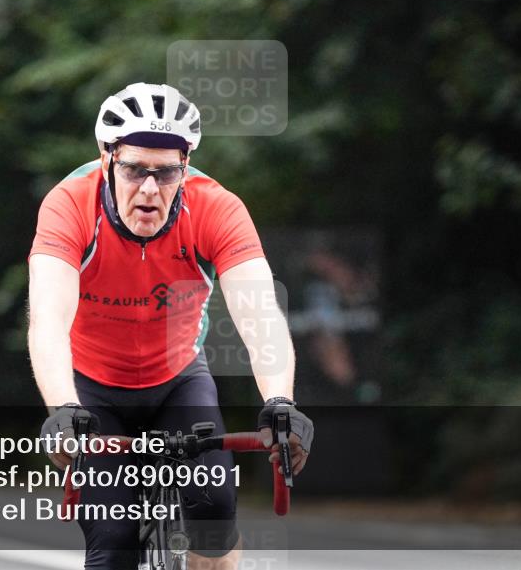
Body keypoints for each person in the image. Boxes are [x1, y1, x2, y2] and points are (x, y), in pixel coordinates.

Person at [28, 82, 314, 569]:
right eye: (135, 169)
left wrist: (280, 402)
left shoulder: (216, 208)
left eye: (165, 174)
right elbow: (48, 320)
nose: (149, 189)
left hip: (177, 380)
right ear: (106, 160)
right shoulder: (69, 205)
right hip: (92, 390)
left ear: (185, 168)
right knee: (113, 542)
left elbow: (260, 315)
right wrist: (62, 410)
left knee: (214, 511)